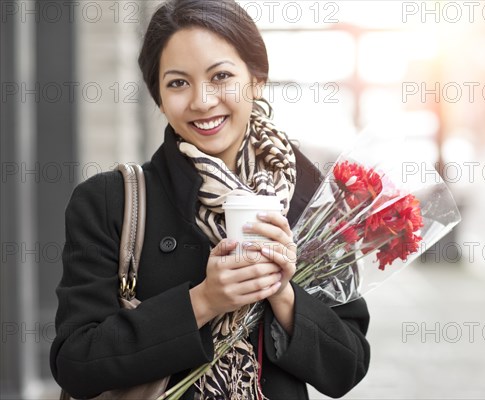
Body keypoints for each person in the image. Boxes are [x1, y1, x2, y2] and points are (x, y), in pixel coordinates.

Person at [50, 0, 370, 399]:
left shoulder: (311, 198)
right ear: (159, 97)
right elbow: (76, 363)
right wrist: (203, 301)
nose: (202, 101)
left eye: (220, 76)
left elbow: (347, 366)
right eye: (178, 83)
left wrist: (282, 295)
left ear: (256, 80)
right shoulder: (110, 201)